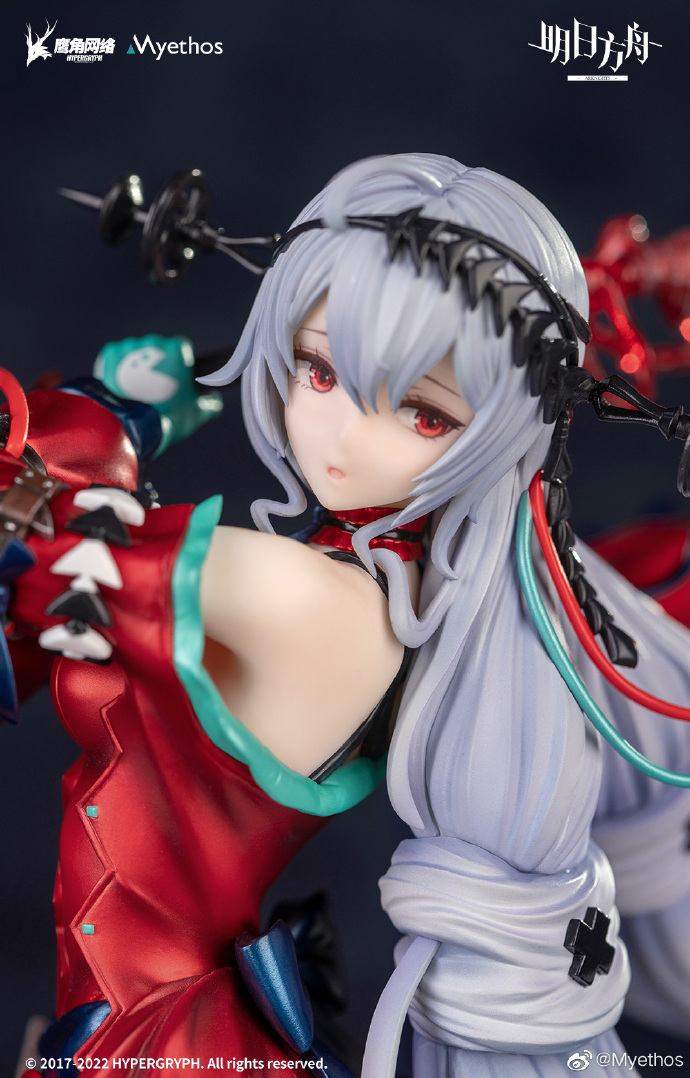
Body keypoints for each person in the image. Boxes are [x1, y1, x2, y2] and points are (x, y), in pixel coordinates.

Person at [7, 152, 690, 1076]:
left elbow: (47, 548)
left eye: (423, 414)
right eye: (319, 370)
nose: (339, 437)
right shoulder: (394, 581)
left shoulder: (307, 599)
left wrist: (116, 415)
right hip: (144, 1018)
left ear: (498, 434)